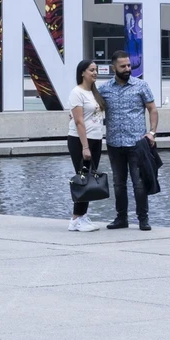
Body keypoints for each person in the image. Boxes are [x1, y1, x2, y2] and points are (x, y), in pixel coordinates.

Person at [99, 50, 158, 231]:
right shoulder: (104, 89)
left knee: (139, 183)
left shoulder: (141, 86)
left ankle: (143, 219)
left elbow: (152, 110)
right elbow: (91, 108)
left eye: (129, 65)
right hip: (114, 143)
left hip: (137, 143)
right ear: (113, 67)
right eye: (122, 66)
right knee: (118, 183)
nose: (127, 69)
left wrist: (152, 133)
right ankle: (121, 218)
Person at [66, 60, 105, 233]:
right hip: (81, 141)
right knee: (83, 178)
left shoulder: (94, 93)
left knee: (89, 178)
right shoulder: (77, 92)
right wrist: (85, 147)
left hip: (96, 139)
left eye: (96, 70)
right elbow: (79, 121)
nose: (95, 73)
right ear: (82, 72)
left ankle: (81, 217)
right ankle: (76, 219)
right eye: (91, 70)